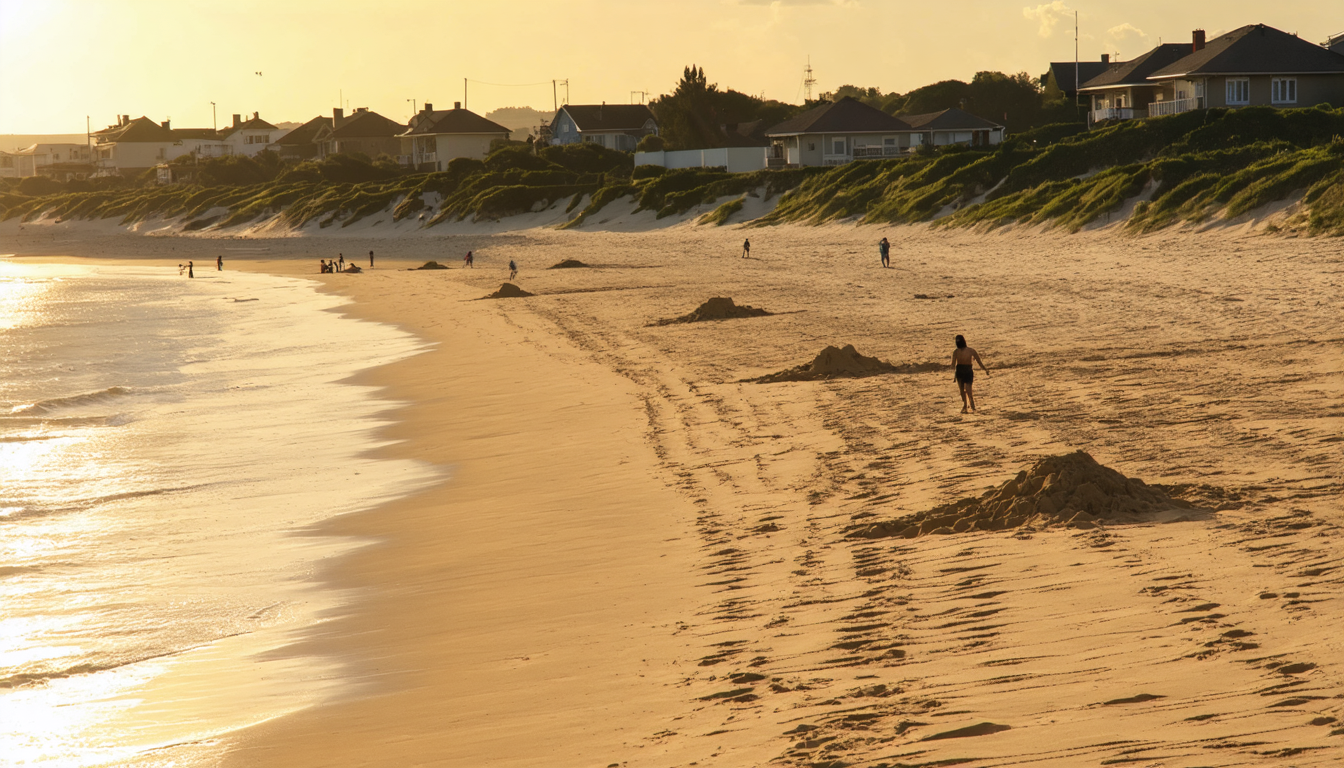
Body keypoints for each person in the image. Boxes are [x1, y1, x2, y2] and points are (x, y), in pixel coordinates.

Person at [952, 334, 990, 414]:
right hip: (962, 371)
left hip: (965, 371)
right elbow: (953, 365)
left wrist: (985, 369)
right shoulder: (959, 351)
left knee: (966, 390)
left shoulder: (967, 351)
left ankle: (970, 405)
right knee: (964, 391)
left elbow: (979, 361)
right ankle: (967, 406)